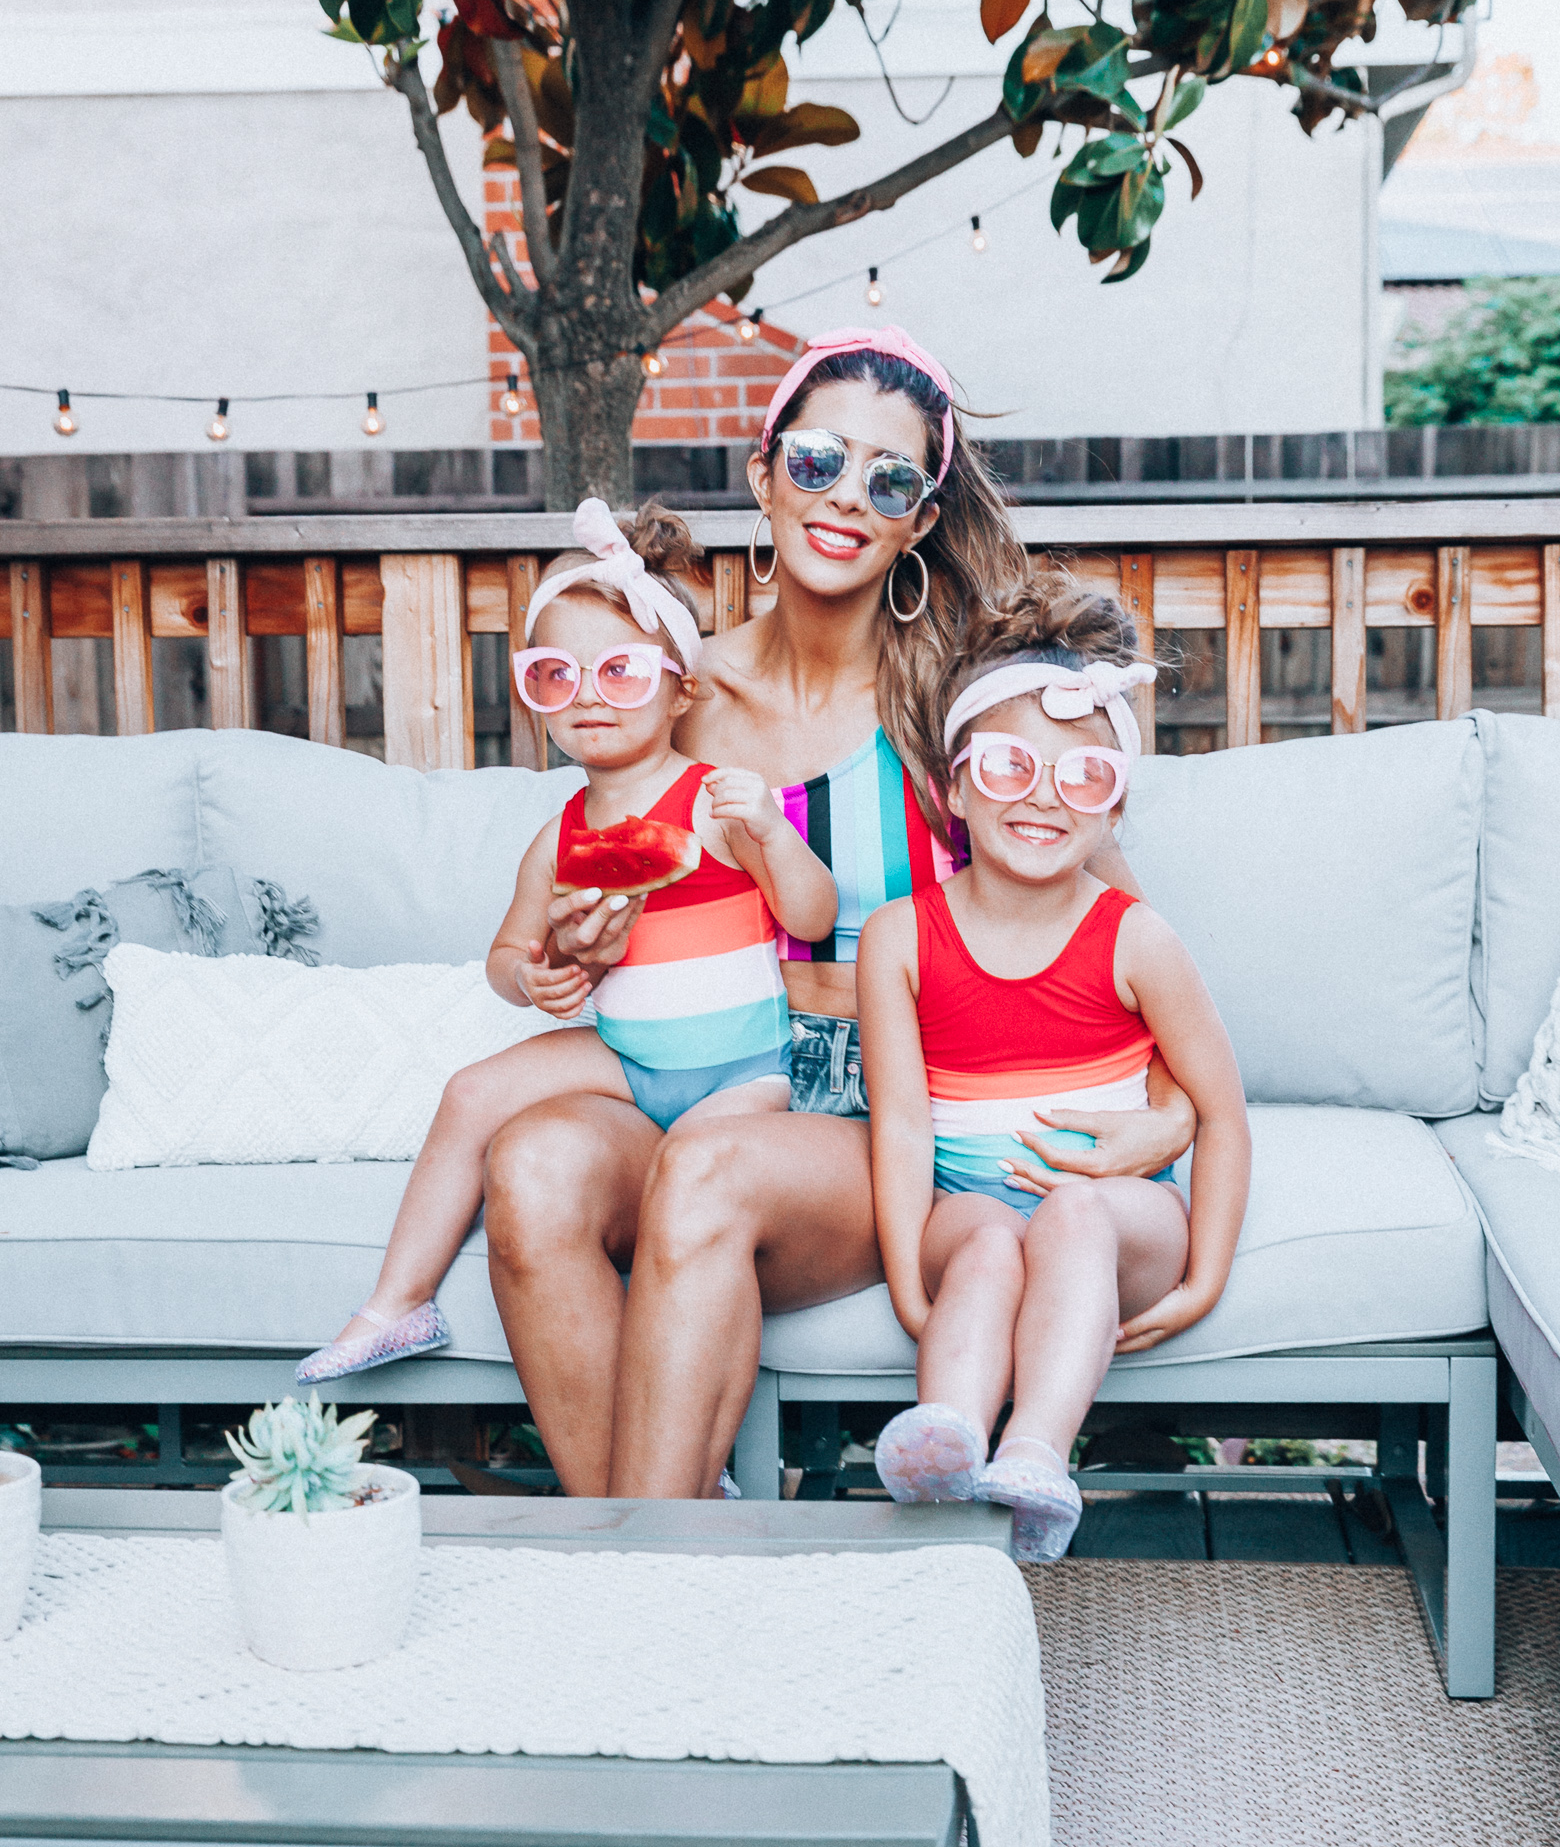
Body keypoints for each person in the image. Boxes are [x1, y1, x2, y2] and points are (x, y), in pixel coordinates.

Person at [481, 326, 1198, 1498]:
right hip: (714, 1063)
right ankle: (648, 1537)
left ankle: (639, 1582)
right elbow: (593, 887)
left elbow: (1116, 932)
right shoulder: (672, 685)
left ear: (919, 517)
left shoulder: (962, 705)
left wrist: (1168, 1118)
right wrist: (573, 943)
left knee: (710, 1170)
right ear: (763, 472)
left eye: (889, 479)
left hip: (897, 1109)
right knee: (532, 1161)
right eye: (816, 461)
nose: (845, 498)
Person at [294, 499, 836, 1387]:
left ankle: (686, 1440)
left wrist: (774, 839)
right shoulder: (559, 834)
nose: (586, 695)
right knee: (474, 1091)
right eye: (554, 675)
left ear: (680, 688)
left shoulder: (711, 799)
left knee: (687, 1202)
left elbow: (809, 918)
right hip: (626, 1056)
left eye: (620, 673)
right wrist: (537, 978)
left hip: (743, 1069)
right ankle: (397, 1302)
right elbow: (505, 957)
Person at [861, 576, 1252, 1559]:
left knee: (1074, 1210)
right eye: (1007, 765)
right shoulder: (897, 937)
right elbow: (902, 1122)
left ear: (1113, 804)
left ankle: (1036, 1451)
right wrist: (913, 1281)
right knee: (990, 1244)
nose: (1041, 795)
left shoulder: (1136, 938)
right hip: (970, 1200)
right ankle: (945, 1439)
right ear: (951, 784)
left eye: (1082, 776)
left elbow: (1221, 1111)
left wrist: (1202, 1276)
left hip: (1122, 1215)